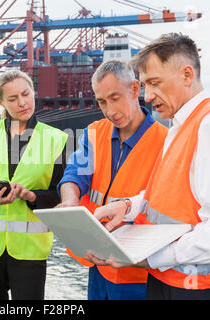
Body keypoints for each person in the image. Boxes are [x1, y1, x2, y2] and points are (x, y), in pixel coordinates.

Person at [86, 33, 210, 300]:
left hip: (192, 287)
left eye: (155, 83)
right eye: (145, 85)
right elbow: (167, 196)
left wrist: (149, 257)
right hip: (170, 279)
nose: (148, 95)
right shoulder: (181, 126)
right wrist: (128, 207)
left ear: (186, 75)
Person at [57, 59, 168, 300]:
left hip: (139, 272)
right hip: (98, 263)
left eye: (115, 98)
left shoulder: (166, 143)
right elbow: (74, 175)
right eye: (102, 102)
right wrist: (69, 202)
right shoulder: (94, 133)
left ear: (135, 90)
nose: (109, 111)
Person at [0, 70, 68, 300]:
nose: (22, 103)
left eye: (26, 94)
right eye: (12, 99)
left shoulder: (56, 139)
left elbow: (59, 194)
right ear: (1, 102)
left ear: (33, 92)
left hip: (29, 248)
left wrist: (32, 196)